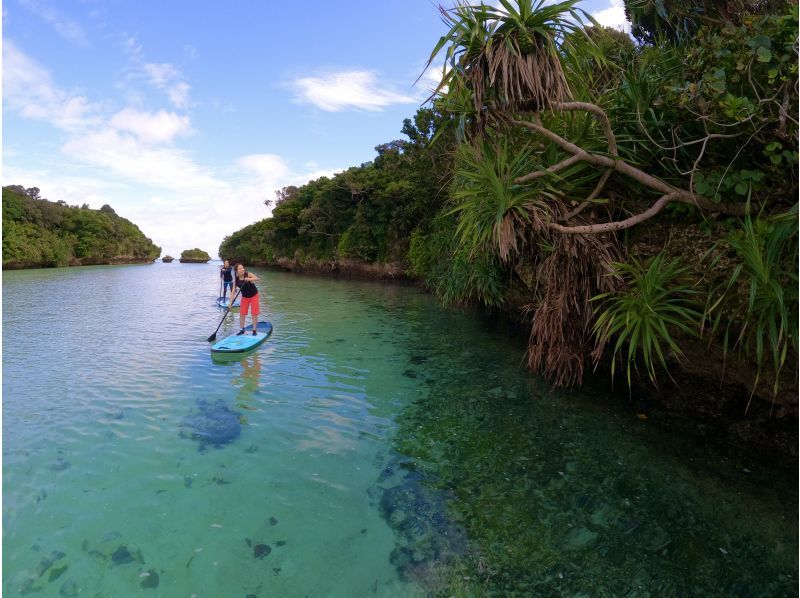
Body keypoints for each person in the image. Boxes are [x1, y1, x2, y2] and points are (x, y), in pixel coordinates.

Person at [234, 264, 261, 335]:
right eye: (240, 269)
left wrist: (249, 279)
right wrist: (230, 304)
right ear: (236, 271)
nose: (242, 269)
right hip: (245, 297)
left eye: (242, 268)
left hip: (254, 295)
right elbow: (233, 292)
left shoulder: (248, 274)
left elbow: (257, 279)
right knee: (242, 313)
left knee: (254, 313)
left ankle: (254, 331)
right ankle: (241, 329)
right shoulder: (236, 279)